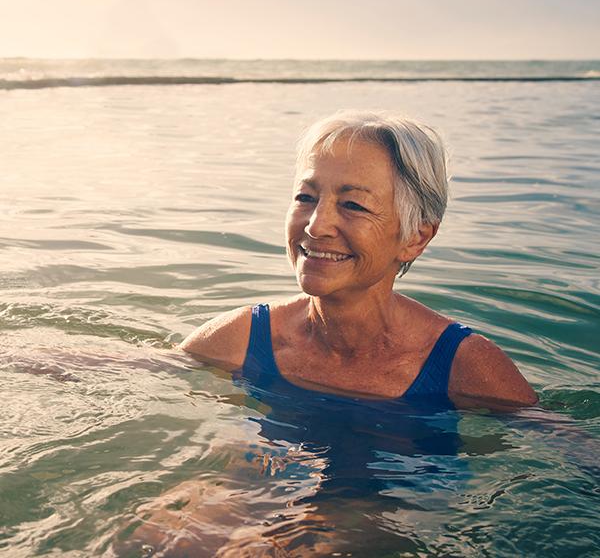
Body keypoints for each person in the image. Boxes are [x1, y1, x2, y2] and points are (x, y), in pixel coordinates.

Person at [181, 110, 537, 412]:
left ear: (416, 238)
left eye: (354, 205)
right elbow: (149, 373)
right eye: (306, 197)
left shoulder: (462, 365)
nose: (317, 226)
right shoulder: (243, 338)